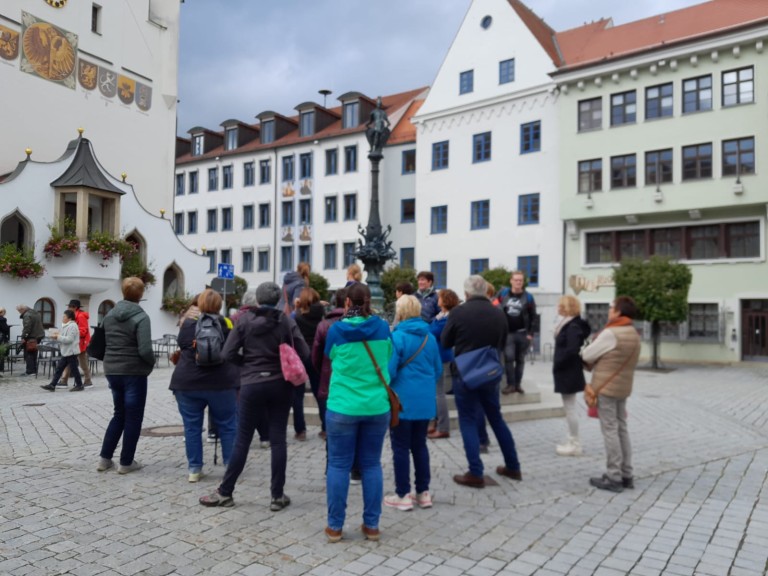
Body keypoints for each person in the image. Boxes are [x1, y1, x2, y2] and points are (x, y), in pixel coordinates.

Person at [199, 281, 310, 511]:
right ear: (279, 300)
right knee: (278, 438)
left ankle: (226, 492)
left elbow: (226, 353)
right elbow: (304, 353)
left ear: (258, 300)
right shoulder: (286, 322)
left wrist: (247, 364)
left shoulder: (244, 322)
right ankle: (277, 496)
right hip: (280, 384)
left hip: (251, 383)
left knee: (243, 439)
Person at [323, 283, 392, 543]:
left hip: (342, 405)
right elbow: (388, 355)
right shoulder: (383, 327)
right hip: (376, 405)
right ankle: (372, 525)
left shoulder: (336, 330)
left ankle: (335, 527)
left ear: (348, 303)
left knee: (339, 465)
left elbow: (329, 357)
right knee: (372, 464)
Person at [441, 275, 522, 488]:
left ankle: (475, 472)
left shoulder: (459, 312)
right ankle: (513, 465)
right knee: (496, 418)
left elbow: (446, 341)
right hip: (489, 372)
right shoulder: (498, 313)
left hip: (465, 373)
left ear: (466, 293)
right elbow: (502, 343)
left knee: (467, 420)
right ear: (486, 291)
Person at [169, 289, 239, 482]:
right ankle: (230, 467)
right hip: (221, 382)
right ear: (219, 305)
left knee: (191, 427)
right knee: (227, 425)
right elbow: (234, 350)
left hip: (188, 382)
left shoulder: (189, 324)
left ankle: (194, 469)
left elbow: (183, 346)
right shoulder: (227, 323)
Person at [384, 295, 441, 511]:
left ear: (401, 313)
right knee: (420, 445)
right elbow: (437, 370)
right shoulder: (430, 338)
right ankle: (423, 493)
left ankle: (403, 494)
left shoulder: (397, 337)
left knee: (400, 447)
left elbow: (390, 372)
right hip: (425, 401)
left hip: (402, 402)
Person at [582, 296, 641, 493]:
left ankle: (614, 475)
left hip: (606, 387)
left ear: (618, 312)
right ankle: (627, 474)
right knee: (621, 428)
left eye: (611, 308)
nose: (609, 311)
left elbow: (587, 355)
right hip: (623, 387)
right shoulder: (633, 332)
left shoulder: (611, 333)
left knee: (610, 430)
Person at [97, 277, 155, 474]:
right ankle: (126, 462)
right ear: (141, 294)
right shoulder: (141, 317)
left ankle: (105, 459)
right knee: (133, 417)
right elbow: (145, 349)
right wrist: (151, 364)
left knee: (119, 414)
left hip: (112, 370)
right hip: (134, 372)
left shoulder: (109, 315)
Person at [552, 295, 592, 457]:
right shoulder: (569, 323)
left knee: (570, 408)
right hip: (567, 369)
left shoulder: (573, 326)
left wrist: (559, 363)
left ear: (567, 307)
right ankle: (572, 440)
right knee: (569, 407)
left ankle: (574, 443)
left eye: (560, 305)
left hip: (568, 370)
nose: (558, 307)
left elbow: (571, 349)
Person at [313, 289, 346, 440]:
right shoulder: (356, 324)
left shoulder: (324, 324)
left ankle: (326, 429)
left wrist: (322, 370)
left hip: (328, 374)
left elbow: (316, 354)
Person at [497, 270, 537, 394]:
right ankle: (510, 384)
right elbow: (495, 308)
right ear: (511, 281)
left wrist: (530, 333)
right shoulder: (503, 294)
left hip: (523, 333)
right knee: (509, 358)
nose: (518, 282)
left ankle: (518, 385)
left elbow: (533, 316)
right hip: (508, 333)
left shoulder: (529, 297)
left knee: (520, 360)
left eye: (520, 280)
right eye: (516, 280)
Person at [293, 287, 325, 441]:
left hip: (300, 356)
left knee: (297, 394)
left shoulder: (297, 316)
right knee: (320, 392)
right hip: (317, 356)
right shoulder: (321, 315)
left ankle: (301, 430)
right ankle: (325, 428)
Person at [40, 309, 83, 392]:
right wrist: (57, 335)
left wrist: (58, 337)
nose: (62, 318)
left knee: (74, 369)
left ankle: (79, 385)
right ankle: (52, 385)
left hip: (71, 351)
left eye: (64, 316)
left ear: (69, 318)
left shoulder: (72, 326)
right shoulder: (67, 326)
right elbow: (64, 337)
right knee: (60, 368)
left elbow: (69, 339)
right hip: (67, 351)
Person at [60, 299, 92, 388]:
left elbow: (83, 331)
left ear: (75, 307)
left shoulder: (81, 316)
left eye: (70, 306)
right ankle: (63, 381)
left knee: (82, 363)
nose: (68, 308)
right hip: (75, 342)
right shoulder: (74, 315)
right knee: (69, 361)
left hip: (80, 343)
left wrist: (72, 333)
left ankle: (88, 380)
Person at [16, 304, 45, 376]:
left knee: (28, 354)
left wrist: (24, 337)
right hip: (39, 336)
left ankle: (30, 371)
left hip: (31, 337)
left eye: (19, 311)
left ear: (22, 309)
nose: (20, 313)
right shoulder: (36, 313)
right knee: (34, 353)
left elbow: (27, 327)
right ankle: (34, 370)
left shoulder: (27, 315)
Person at [0, 307, 10, 373]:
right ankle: (1, 368)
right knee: (1, 353)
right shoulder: (2, 319)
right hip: (1, 338)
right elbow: (5, 329)